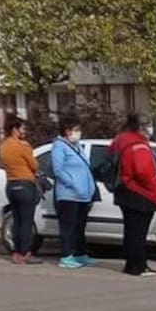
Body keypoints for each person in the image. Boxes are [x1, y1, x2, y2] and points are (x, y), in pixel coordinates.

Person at [111, 113, 156, 277]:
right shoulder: (137, 145)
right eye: (148, 125)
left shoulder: (121, 141)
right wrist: (154, 188)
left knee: (131, 231)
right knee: (138, 233)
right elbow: (143, 171)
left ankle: (132, 264)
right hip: (139, 193)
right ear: (141, 127)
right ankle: (138, 266)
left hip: (125, 191)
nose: (150, 128)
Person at [51, 114, 98, 269]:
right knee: (68, 227)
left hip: (83, 195)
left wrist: (89, 189)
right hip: (68, 194)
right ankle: (66, 256)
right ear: (67, 131)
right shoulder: (59, 146)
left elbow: (86, 168)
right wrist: (72, 183)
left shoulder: (78, 147)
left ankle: (80, 254)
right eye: (76, 130)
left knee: (80, 226)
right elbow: (58, 170)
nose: (79, 133)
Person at [0, 114, 42, 265]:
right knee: (26, 221)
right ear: (15, 129)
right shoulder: (23, 146)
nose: (24, 131)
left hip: (11, 185)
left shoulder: (3, 145)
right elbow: (35, 165)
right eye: (22, 128)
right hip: (25, 185)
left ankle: (16, 253)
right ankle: (26, 253)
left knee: (17, 220)